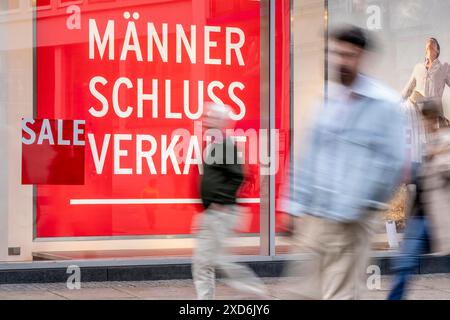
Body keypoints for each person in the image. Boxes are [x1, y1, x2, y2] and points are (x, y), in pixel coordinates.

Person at [280, 25, 406, 300]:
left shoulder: (383, 104)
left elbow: (395, 162)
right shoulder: (325, 101)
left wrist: (362, 202)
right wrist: (293, 206)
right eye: (335, 53)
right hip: (316, 218)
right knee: (303, 292)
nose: (339, 60)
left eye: (347, 55)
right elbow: (307, 158)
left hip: (351, 220)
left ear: (361, 57)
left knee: (340, 293)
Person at [191, 102, 267, 300]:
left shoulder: (225, 144)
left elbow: (238, 175)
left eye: (211, 118)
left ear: (222, 122)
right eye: (207, 117)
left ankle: (254, 290)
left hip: (221, 212)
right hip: (214, 212)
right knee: (206, 262)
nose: (206, 121)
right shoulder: (215, 144)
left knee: (214, 261)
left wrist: (220, 202)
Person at [387, 99, 450, 300]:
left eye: (426, 118)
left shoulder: (445, 141)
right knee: (404, 263)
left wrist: (436, 156)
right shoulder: (424, 144)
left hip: (439, 216)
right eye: (422, 119)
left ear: (434, 118)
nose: (424, 123)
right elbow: (417, 174)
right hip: (418, 214)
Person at [402, 38, 450, 164]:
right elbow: (408, 89)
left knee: (435, 147)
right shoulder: (418, 68)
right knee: (418, 148)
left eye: (433, 43)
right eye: (428, 43)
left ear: (437, 50)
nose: (429, 43)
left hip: (435, 115)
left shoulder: (444, 68)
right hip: (418, 114)